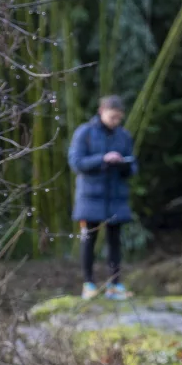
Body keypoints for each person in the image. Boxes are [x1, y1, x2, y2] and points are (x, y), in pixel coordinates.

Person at [68, 95, 138, 301]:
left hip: (116, 197)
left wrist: (123, 164)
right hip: (90, 197)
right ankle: (88, 284)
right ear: (101, 112)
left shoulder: (124, 136)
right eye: (112, 117)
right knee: (88, 240)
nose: (115, 121)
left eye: (119, 118)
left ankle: (114, 284)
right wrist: (103, 159)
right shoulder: (85, 133)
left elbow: (133, 166)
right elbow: (76, 162)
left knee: (115, 242)